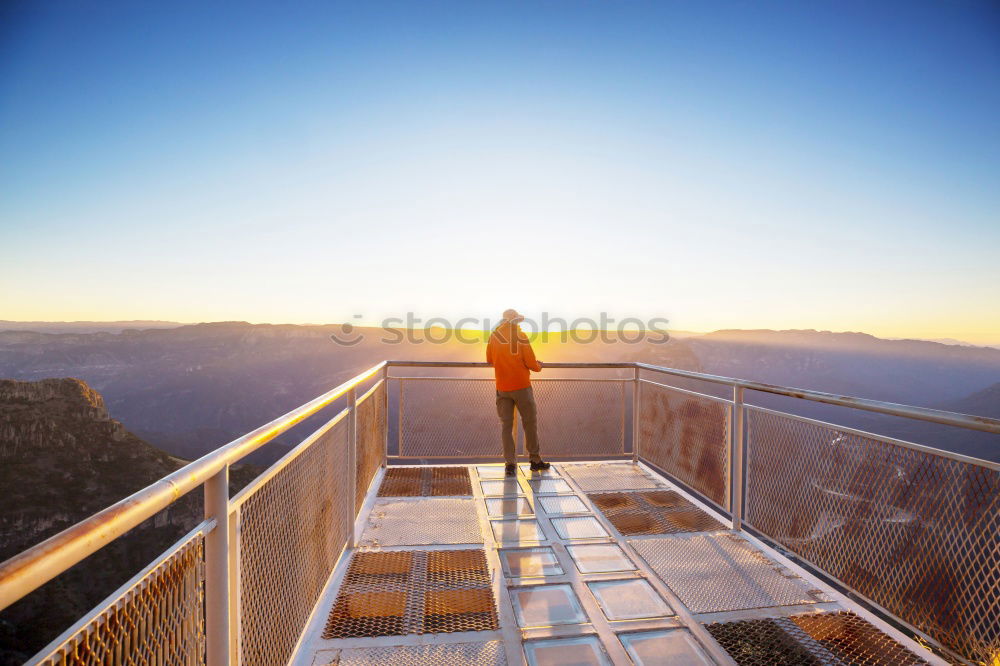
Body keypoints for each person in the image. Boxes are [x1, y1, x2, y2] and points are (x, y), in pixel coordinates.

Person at [486, 308, 550, 476]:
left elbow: (489, 359)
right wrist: (539, 365)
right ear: (516, 320)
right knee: (529, 423)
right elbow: (531, 363)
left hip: (502, 387)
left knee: (506, 426)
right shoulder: (520, 336)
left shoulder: (494, 336)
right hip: (521, 386)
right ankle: (535, 460)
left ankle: (510, 464)